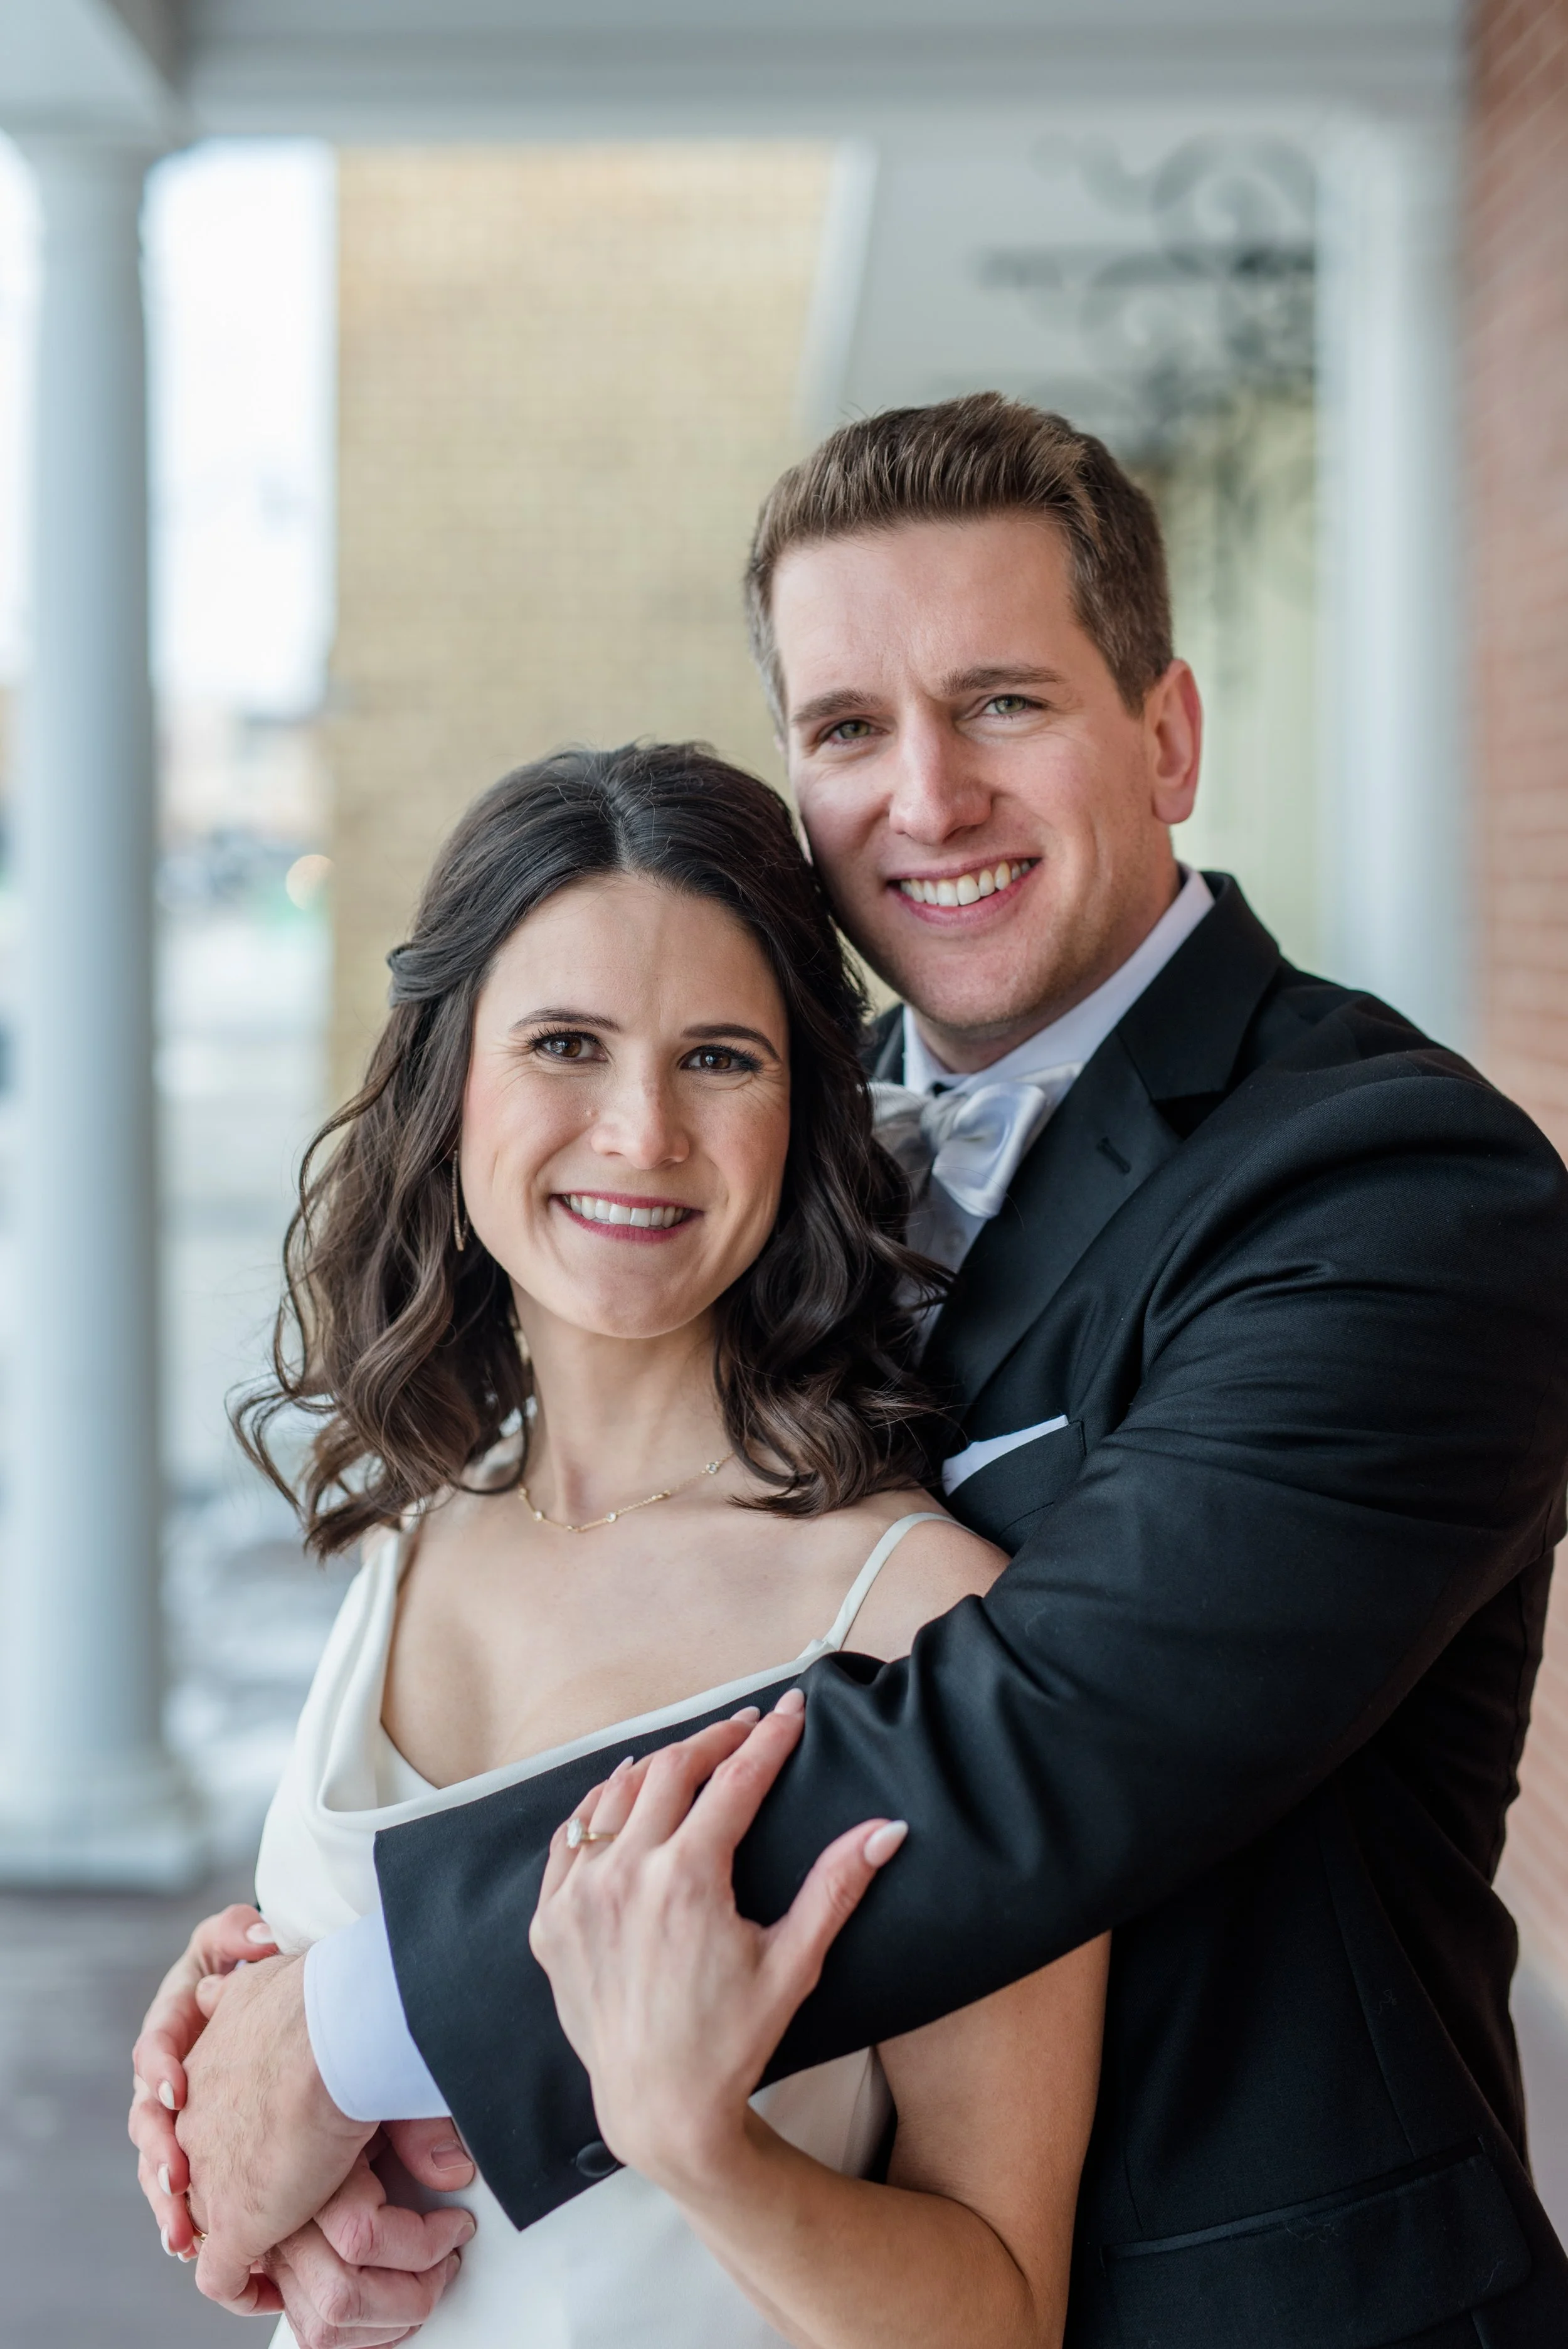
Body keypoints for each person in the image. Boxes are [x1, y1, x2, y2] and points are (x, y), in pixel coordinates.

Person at [134, 394, 1568, 2346]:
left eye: (1000, 705)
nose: (926, 799)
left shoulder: (1396, 1193)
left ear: (1165, 736)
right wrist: (277, 2008)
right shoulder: (761, 1162)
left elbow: (1034, 1736)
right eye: (846, 732)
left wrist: (374, 2017)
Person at [136, 741, 1111, 2345]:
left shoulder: (920, 1618)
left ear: (799, 1112)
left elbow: (999, 2312)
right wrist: (230, 2125)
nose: (641, 1129)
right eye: (566, 1044)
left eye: (718, 1058)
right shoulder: (422, 1532)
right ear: (453, 1087)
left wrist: (705, 2152)